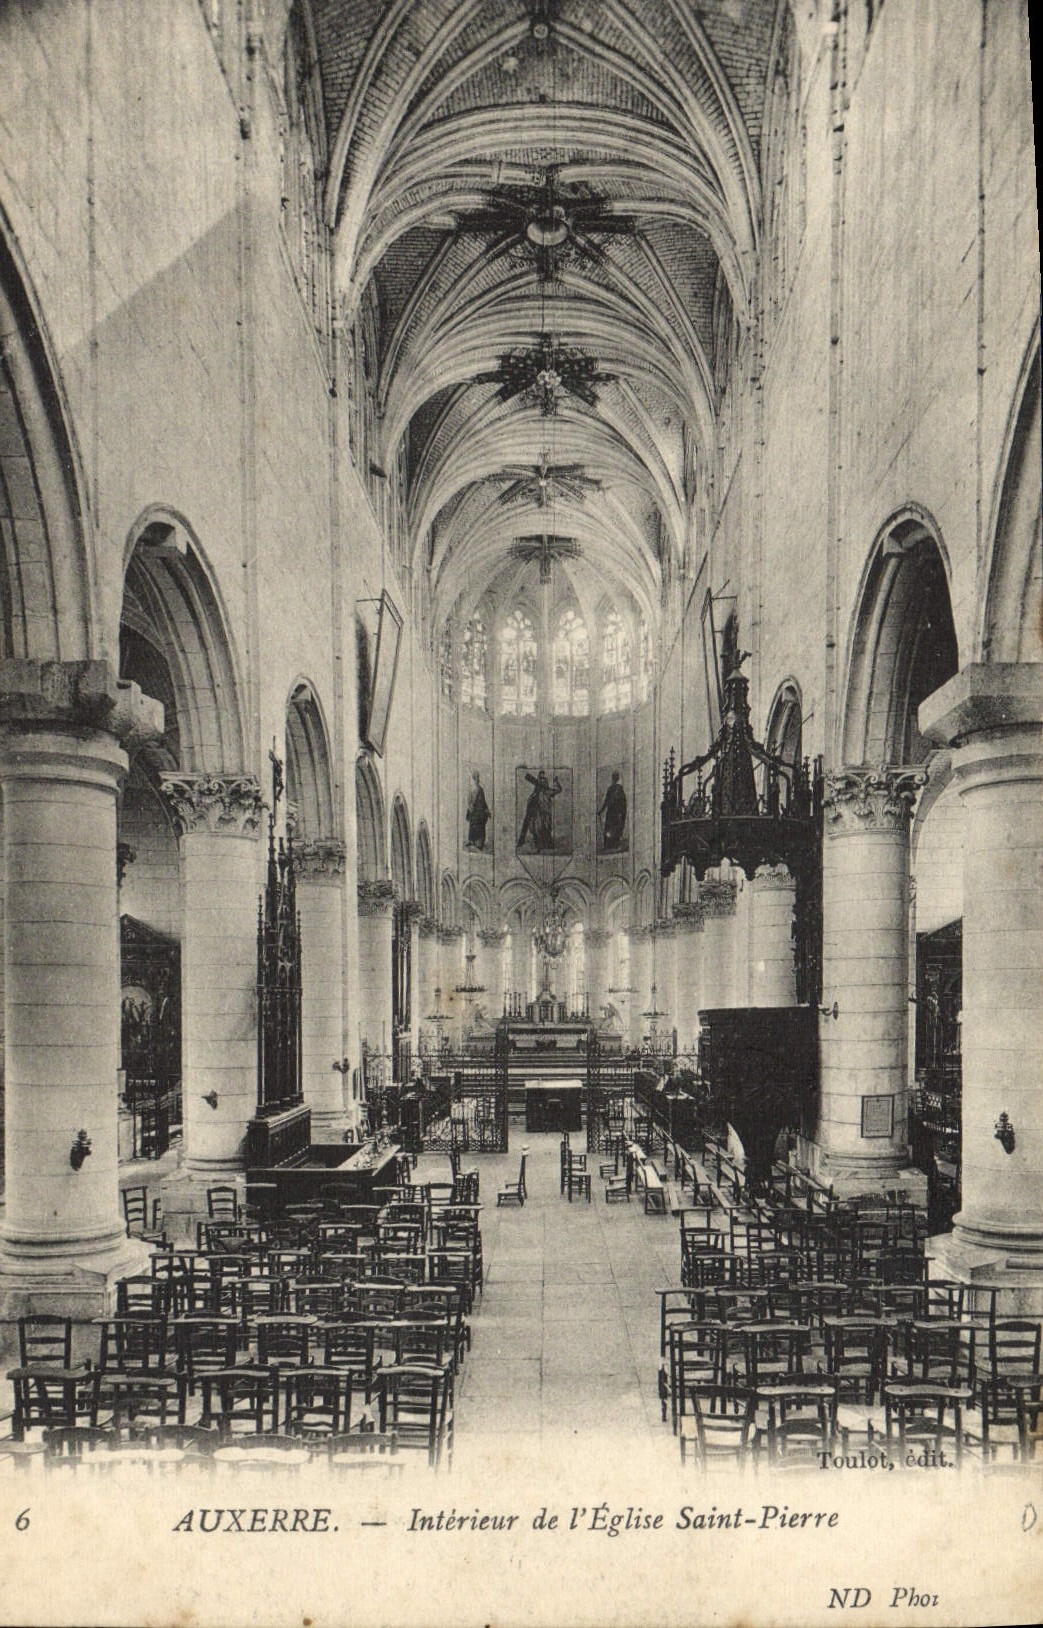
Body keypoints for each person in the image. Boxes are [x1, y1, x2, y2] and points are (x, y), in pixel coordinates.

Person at [517, 768, 562, 851]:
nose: (541, 780)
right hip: (536, 816)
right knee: (535, 829)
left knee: (545, 830)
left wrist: (556, 782)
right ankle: (536, 845)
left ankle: (547, 845)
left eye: (543, 779)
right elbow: (530, 806)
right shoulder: (535, 794)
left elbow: (558, 790)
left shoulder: (547, 792)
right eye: (540, 778)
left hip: (545, 816)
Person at [598, 770, 627, 851]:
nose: (613, 779)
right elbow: (606, 801)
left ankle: (614, 845)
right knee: (608, 828)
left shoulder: (620, 790)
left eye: (615, 777)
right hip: (611, 813)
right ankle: (608, 845)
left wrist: (622, 814)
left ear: (616, 779)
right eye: (613, 777)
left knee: (615, 828)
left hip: (616, 813)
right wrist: (601, 810)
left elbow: (623, 803)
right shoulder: (610, 789)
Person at [465, 769, 491, 849]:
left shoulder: (480, 789)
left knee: (480, 826)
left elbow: (484, 801)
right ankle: (471, 841)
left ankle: (480, 843)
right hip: (473, 812)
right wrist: (470, 808)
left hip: (480, 812)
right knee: (472, 825)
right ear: (473, 778)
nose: (478, 779)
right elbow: (469, 801)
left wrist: (487, 810)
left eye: (478, 777)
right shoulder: (471, 790)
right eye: (476, 777)